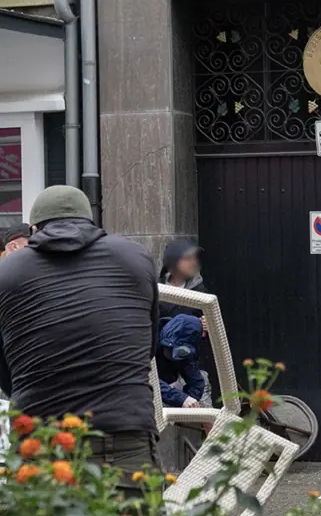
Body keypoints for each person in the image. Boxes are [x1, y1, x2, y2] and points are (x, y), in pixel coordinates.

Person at [0, 185, 159, 474]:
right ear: (90, 222)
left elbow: (5, 369)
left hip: (41, 441)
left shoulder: (8, 272)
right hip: (125, 436)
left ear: (35, 228)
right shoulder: (136, 259)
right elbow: (147, 347)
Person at [159, 238, 215, 406]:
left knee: (207, 414)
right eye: (187, 258)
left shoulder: (200, 291)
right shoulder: (156, 289)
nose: (193, 263)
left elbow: (214, 328)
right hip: (164, 367)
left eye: (194, 258)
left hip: (192, 363)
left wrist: (206, 326)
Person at [156, 314, 206, 409]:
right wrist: (181, 399)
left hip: (168, 387)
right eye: (169, 349)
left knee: (204, 378)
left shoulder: (187, 346)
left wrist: (189, 402)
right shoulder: (145, 340)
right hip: (135, 389)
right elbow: (145, 378)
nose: (173, 355)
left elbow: (196, 382)